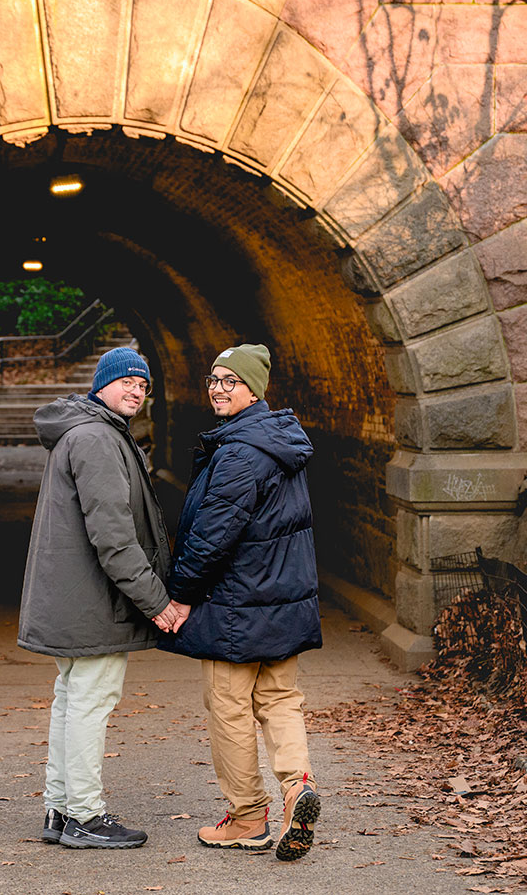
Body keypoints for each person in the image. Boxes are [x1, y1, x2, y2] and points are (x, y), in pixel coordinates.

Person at [17, 346, 189, 850]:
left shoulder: (87, 431)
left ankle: (60, 809)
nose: (136, 390)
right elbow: (113, 538)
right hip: (93, 600)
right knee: (89, 704)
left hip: (76, 597)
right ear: (101, 385)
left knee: (72, 700)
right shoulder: (96, 438)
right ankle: (85, 817)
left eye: (144, 385)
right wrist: (157, 603)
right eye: (126, 381)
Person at [161, 343, 323, 862]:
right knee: (280, 698)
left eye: (230, 381)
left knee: (228, 708)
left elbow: (213, 534)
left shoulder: (239, 452)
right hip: (283, 599)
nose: (218, 388)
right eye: (213, 379)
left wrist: (181, 595)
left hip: (234, 603)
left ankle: (249, 817)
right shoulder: (278, 440)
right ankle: (297, 787)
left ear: (254, 390)